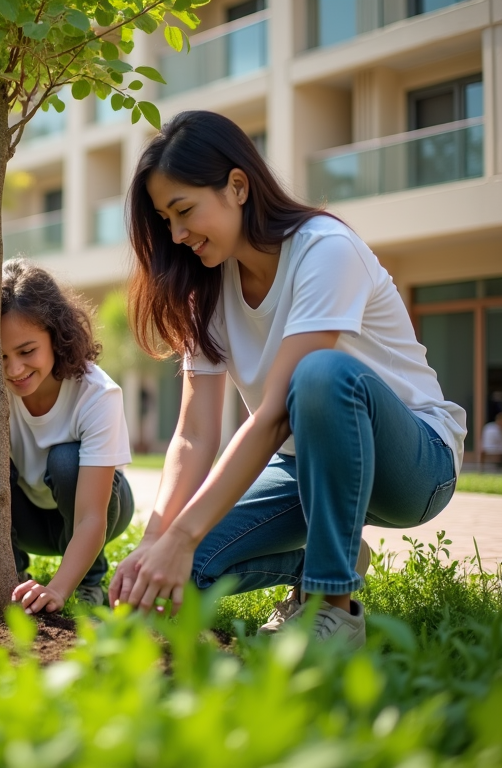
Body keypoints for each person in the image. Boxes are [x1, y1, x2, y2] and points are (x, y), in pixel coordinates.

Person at [109, 111, 466, 649]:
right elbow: (193, 433)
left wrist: (185, 530)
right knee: (177, 580)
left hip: (415, 464)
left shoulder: (325, 249)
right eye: (165, 220)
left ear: (237, 186)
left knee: (322, 374)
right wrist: (159, 541)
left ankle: (334, 608)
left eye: (184, 210)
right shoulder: (206, 289)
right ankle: (327, 556)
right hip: (302, 468)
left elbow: (276, 412)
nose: (177, 235)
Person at [0, 258, 135, 612]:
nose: (15, 369)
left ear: (56, 335)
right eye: (0, 355)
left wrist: (59, 589)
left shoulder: (97, 394)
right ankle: (7, 574)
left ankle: (87, 579)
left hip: (98, 511)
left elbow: (91, 517)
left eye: (27, 351)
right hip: (27, 517)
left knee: (65, 460)